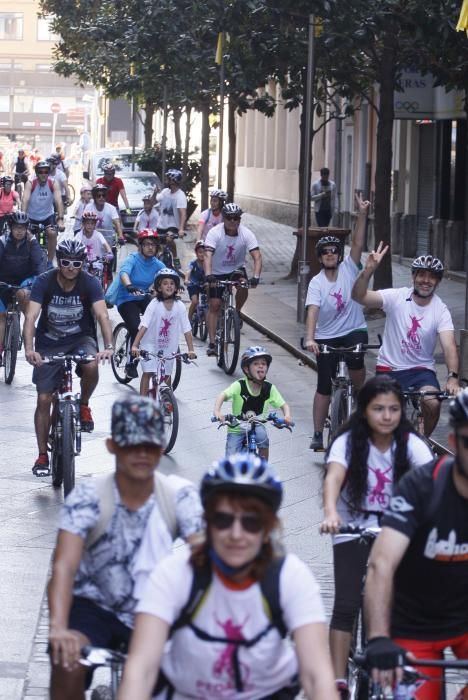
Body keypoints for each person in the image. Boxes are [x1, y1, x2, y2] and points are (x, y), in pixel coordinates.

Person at [117, 453, 339, 700]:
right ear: (207, 523)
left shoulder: (290, 577)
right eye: (223, 520)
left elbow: (316, 676)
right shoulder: (175, 573)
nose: (236, 534)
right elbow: (141, 668)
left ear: (268, 529)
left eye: (251, 523)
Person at [47, 395, 204, 700]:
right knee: (67, 662)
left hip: (155, 611)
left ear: (161, 449)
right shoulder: (89, 496)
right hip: (92, 607)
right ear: (112, 446)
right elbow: (64, 565)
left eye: (149, 446)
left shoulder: (178, 496)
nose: (141, 454)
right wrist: (57, 628)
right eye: (131, 445)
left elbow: (204, 554)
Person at [319, 375, 433, 699]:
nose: (387, 416)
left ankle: (387, 666)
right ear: (364, 411)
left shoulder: (411, 444)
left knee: (391, 601)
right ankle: (338, 681)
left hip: (395, 527)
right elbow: (334, 477)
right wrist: (331, 513)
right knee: (345, 603)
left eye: (394, 409)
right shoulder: (347, 442)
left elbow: (431, 483)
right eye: (378, 409)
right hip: (351, 523)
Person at [363, 388, 468, 700]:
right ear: (453, 444)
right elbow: (382, 563)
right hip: (413, 627)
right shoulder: (421, 487)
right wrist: (379, 637)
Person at [23, 239, 114, 475]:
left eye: (76, 263)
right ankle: (42, 455)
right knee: (44, 399)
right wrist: (29, 349)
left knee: (92, 364)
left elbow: (102, 315)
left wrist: (110, 346)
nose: (71, 267)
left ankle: (83, 404)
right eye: (65, 262)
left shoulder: (90, 282)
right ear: (58, 262)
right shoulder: (44, 282)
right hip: (48, 342)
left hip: (80, 338)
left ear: (82, 263)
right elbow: (31, 317)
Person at [351, 244, 460, 435]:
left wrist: (452, 378)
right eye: (421, 275)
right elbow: (359, 296)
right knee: (381, 418)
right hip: (389, 369)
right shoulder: (397, 297)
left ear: (438, 281)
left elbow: (449, 345)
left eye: (432, 276)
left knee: (433, 403)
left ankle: (420, 444)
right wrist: (368, 271)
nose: (426, 281)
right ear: (413, 277)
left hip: (421, 371)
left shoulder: (440, 309)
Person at [304, 193, 370, 450]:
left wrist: (361, 215)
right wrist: (310, 338)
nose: (331, 254)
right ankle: (319, 433)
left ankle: (359, 398)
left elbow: (357, 242)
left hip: (354, 329)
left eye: (334, 251)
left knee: (357, 362)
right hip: (326, 336)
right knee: (323, 384)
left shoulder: (350, 268)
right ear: (320, 258)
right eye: (326, 252)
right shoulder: (317, 282)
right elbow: (312, 311)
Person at [204, 202, 262, 357]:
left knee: (244, 285)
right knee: (215, 305)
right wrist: (209, 275)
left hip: (236, 269)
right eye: (229, 218)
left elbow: (256, 256)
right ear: (224, 218)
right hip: (216, 271)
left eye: (236, 218)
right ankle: (212, 343)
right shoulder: (214, 233)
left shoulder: (246, 234)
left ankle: (237, 312)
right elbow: (208, 255)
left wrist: (256, 277)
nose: (233, 221)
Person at [214, 346, 293, 459]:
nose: (261, 366)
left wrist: (287, 415)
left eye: (264, 363)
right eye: (256, 364)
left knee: (263, 439)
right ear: (247, 369)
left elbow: (283, 405)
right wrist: (217, 412)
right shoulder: (239, 385)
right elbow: (223, 395)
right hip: (237, 426)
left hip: (257, 424)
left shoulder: (269, 388)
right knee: (230, 456)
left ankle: (263, 467)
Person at [131, 267, 196, 395]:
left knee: (167, 374)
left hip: (168, 345)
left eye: (172, 283)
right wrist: (135, 345)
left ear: (176, 287)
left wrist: (191, 349)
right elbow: (144, 325)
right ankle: (143, 402)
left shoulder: (180, 306)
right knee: (148, 372)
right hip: (150, 344)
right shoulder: (154, 304)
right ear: (159, 288)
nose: (169, 286)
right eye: (165, 283)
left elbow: (187, 329)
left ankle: (167, 399)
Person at [114, 229, 165, 379]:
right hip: (126, 298)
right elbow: (124, 273)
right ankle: (131, 364)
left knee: (158, 318)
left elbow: (168, 274)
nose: (150, 247)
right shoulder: (133, 259)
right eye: (147, 244)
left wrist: (175, 287)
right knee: (137, 329)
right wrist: (129, 285)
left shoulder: (157, 263)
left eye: (153, 245)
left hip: (143, 296)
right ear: (141, 246)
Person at [0, 211, 45, 362]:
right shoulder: (3, 241)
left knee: (24, 296)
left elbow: (39, 264)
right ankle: (0, 349)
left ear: (27, 228)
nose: (19, 231)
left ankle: (29, 335)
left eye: (23, 227)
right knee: (1, 316)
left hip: (24, 280)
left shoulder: (32, 243)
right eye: (16, 227)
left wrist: (40, 279)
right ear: (10, 227)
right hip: (3, 282)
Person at [22, 160, 64, 265]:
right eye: (41, 172)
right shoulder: (31, 183)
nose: (44, 174)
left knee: (52, 233)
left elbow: (58, 201)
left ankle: (50, 262)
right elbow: (25, 200)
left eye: (46, 172)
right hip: (32, 216)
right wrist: (23, 217)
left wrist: (60, 219)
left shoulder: (53, 183)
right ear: (37, 173)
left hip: (47, 216)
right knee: (26, 236)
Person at [154, 169, 187, 255]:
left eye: (168, 179)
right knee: (157, 245)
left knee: (169, 239)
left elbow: (183, 214)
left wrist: (181, 229)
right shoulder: (165, 191)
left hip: (173, 226)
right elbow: (155, 201)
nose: (166, 181)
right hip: (161, 224)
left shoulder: (180, 195)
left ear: (173, 181)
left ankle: (175, 257)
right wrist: (155, 192)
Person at [83, 183, 124, 250]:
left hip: (108, 240)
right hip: (92, 239)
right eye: (98, 196)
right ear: (94, 197)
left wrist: (120, 236)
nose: (101, 197)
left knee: (111, 257)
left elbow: (117, 223)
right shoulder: (89, 207)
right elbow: (84, 222)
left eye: (103, 195)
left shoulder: (111, 208)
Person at [185, 240, 206, 322]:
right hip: (193, 284)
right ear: (196, 253)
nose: (202, 254)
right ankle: (189, 320)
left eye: (204, 252)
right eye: (200, 252)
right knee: (195, 301)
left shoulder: (208, 263)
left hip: (204, 284)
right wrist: (187, 280)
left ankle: (205, 311)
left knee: (209, 300)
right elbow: (188, 271)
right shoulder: (193, 263)